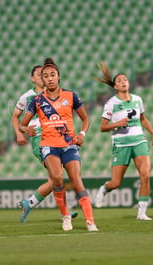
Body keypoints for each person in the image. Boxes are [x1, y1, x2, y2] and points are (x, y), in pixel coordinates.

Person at [20, 58, 98, 231]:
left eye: (52, 75)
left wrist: (82, 134)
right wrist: (26, 129)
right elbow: (22, 123)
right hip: (48, 144)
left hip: (69, 144)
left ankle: (90, 220)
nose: (49, 78)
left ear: (59, 77)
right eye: (45, 76)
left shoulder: (71, 96)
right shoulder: (36, 100)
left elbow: (85, 119)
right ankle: (65, 217)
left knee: (77, 180)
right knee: (56, 179)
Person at [11, 65, 77, 223]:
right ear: (33, 78)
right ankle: (64, 212)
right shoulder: (28, 97)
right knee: (57, 176)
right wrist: (20, 133)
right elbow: (15, 116)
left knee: (55, 178)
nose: (43, 77)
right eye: (40, 75)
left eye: (46, 74)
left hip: (58, 137)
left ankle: (30, 203)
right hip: (40, 138)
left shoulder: (55, 94)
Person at [93, 61, 153, 221]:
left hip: (139, 141)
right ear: (115, 86)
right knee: (115, 183)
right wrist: (117, 124)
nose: (123, 82)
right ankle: (104, 189)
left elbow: (143, 119)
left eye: (125, 79)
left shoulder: (137, 99)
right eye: (120, 80)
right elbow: (102, 127)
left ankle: (142, 213)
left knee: (145, 176)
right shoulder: (111, 103)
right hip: (121, 144)